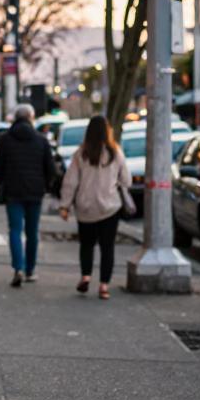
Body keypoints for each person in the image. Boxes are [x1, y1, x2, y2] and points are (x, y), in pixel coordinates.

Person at [58, 116, 132, 299]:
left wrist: (65, 205)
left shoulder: (81, 153)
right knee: (108, 247)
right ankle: (104, 285)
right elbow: (127, 180)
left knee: (86, 244)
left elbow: (70, 181)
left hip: (85, 207)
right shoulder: (115, 152)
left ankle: (86, 276)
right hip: (110, 207)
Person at [0, 103, 56, 288]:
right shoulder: (41, 140)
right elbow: (50, 168)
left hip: (13, 190)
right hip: (35, 191)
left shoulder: (5, 139)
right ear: (31, 118)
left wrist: (4, 177)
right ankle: (30, 269)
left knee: (15, 229)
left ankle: (18, 266)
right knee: (32, 231)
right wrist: (46, 186)